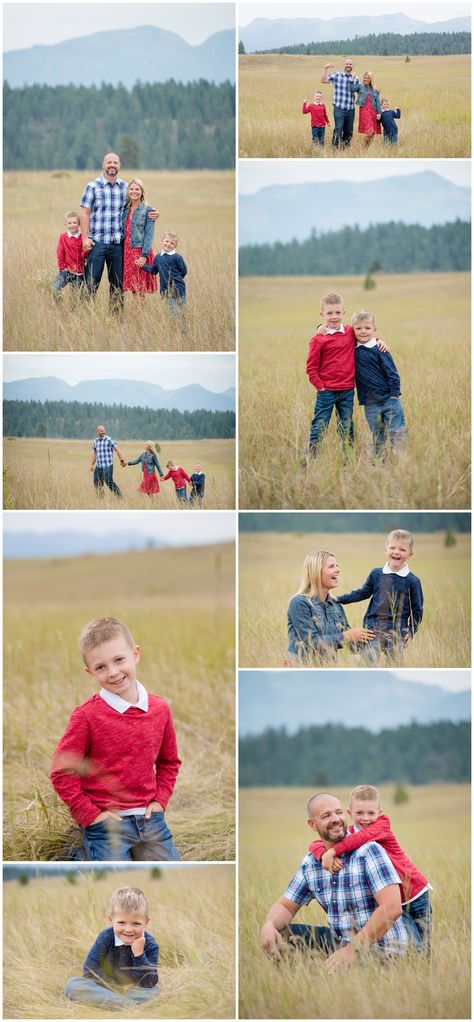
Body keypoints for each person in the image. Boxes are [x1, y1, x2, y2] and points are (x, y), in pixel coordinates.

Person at [50, 616, 181, 861]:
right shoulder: (86, 716)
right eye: (101, 667)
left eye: (119, 660)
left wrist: (160, 801)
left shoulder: (160, 709)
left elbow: (169, 762)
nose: (113, 672)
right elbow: (61, 772)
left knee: (171, 869)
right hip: (107, 824)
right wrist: (90, 815)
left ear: (136, 654)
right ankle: (80, 851)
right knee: (113, 871)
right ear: (90, 671)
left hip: (150, 819)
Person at [261, 792, 413, 970]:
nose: (336, 819)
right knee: (280, 935)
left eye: (339, 812)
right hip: (341, 943)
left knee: (346, 973)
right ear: (312, 824)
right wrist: (268, 924)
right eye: (326, 815)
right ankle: (300, 986)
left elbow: (392, 908)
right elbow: (286, 905)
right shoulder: (311, 863)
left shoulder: (369, 851)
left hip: (383, 950)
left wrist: (353, 950)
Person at [309, 785, 432, 951]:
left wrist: (333, 851)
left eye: (371, 813)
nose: (365, 818)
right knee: (410, 945)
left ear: (379, 813)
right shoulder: (350, 833)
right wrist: (323, 854)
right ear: (349, 813)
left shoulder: (382, 826)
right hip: (393, 900)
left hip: (415, 895)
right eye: (359, 813)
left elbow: (361, 838)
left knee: (423, 948)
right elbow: (315, 843)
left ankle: (423, 968)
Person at [305, 291, 388, 456]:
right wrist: (320, 387)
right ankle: (310, 457)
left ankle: (348, 456)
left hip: (347, 390)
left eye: (337, 312)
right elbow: (311, 368)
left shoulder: (350, 332)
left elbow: (365, 336)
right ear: (322, 314)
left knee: (347, 425)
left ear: (344, 312)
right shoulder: (318, 339)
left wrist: (379, 341)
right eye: (329, 313)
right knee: (320, 424)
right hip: (326, 391)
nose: (334, 316)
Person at [80, 152, 158, 313]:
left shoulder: (125, 188)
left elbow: (138, 205)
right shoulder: (92, 186)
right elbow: (84, 213)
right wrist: (85, 238)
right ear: (103, 165)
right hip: (97, 243)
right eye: (109, 162)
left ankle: (116, 320)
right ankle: (84, 316)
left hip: (118, 246)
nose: (112, 165)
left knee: (117, 285)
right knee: (91, 282)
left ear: (119, 165)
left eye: (115, 162)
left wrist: (153, 213)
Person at [336, 529, 423, 664]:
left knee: (395, 663)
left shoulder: (412, 581)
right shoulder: (376, 574)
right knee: (368, 661)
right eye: (392, 547)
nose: (396, 552)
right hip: (373, 629)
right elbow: (363, 592)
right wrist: (340, 599)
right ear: (385, 550)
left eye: (402, 549)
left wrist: (411, 632)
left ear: (410, 554)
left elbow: (417, 610)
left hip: (397, 633)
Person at [65, 886, 160, 1010]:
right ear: (111, 920)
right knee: (73, 985)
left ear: (146, 922)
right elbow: (90, 971)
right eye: (121, 922)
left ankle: (115, 1004)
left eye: (136, 923)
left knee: (154, 992)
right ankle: (129, 1006)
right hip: (105, 988)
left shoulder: (150, 945)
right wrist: (115, 989)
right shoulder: (106, 938)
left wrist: (139, 954)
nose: (128, 929)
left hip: (133, 991)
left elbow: (149, 982)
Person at [286, 550, 375, 664]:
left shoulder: (336, 605)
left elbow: (350, 645)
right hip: (301, 667)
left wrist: (381, 638)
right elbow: (312, 643)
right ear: (316, 572)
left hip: (328, 669)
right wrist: (347, 635)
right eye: (331, 566)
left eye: (337, 566)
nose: (338, 570)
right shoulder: (299, 603)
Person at [352, 309, 407, 455]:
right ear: (353, 330)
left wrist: (394, 394)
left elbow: (392, 372)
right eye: (358, 328)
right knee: (377, 436)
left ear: (374, 329)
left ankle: (402, 462)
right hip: (370, 403)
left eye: (367, 328)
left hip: (390, 399)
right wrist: (320, 327)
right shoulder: (351, 350)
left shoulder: (380, 348)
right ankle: (379, 464)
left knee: (397, 431)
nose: (363, 331)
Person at [122, 178, 158, 298]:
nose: (134, 192)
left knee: (140, 286)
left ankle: (140, 314)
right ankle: (136, 315)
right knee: (133, 287)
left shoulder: (148, 210)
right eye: (131, 189)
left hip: (140, 251)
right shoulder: (125, 209)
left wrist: (144, 256)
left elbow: (149, 234)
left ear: (142, 192)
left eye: (137, 189)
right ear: (128, 191)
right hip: (127, 251)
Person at [138, 231, 187, 312]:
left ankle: (181, 324)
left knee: (181, 311)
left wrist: (177, 279)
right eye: (167, 241)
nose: (168, 244)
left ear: (175, 246)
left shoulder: (177, 257)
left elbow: (184, 270)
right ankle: (174, 324)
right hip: (166, 290)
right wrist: (143, 265)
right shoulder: (158, 257)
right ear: (162, 241)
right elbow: (153, 271)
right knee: (172, 312)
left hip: (179, 288)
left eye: (172, 243)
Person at [320, 57, 359, 148]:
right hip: (339, 108)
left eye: (350, 64)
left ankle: (345, 148)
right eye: (347, 64)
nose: (348, 65)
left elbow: (361, 91)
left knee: (349, 131)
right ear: (344, 65)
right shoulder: (337, 75)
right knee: (339, 128)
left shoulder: (355, 78)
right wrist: (325, 68)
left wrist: (374, 90)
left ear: (352, 66)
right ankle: (335, 147)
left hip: (350, 109)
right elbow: (323, 80)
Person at [52, 211, 85, 301]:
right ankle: (61, 310)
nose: (72, 225)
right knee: (55, 288)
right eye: (69, 223)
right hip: (66, 270)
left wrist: (86, 251)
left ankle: (71, 313)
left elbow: (84, 254)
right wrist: (62, 267)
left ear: (78, 224)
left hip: (78, 272)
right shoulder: (63, 237)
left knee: (74, 297)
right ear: (65, 224)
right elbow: (60, 252)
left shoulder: (83, 237)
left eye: (74, 222)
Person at [90, 425, 125, 497]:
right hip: (98, 466)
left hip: (108, 466)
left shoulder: (109, 439)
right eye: (101, 431)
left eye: (104, 430)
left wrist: (122, 460)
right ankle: (101, 498)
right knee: (96, 482)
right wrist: (92, 464)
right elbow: (95, 453)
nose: (104, 432)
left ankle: (119, 496)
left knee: (109, 482)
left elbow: (117, 449)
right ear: (97, 431)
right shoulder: (95, 441)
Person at [351, 71, 382, 146]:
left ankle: (367, 148)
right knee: (369, 131)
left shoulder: (375, 89)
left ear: (371, 79)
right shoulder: (360, 86)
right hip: (364, 110)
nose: (366, 79)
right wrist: (352, 78)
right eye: (365, 78)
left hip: (373, 111)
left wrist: (379, 113)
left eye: (368, 78)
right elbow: (351, 89)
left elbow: (377, 101)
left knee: (373, 132)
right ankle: (362, 146)